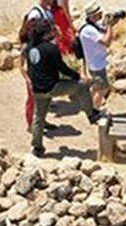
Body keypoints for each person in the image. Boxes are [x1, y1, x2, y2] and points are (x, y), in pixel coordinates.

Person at [26, 19, 100, 157]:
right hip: (52, 86)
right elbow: (62, 68)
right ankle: (91, 114)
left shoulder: (30, 47)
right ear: (46, 32)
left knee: (39, 117)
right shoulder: (51, 48)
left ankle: (37, 147)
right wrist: (77, 76)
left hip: (37, 89)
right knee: (82, 86)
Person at [78, 2, 114, 110]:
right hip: (97, 64)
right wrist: (110, 26)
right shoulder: (89, 30)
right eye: (99, 13)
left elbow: (103, 31)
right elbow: (106, 42)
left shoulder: (90, 26)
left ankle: (90, 107)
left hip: (95, 62)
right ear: (92, 15)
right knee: (102, 89)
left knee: (96, 87)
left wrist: (109, 24)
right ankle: (95, 111)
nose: (101, 15)